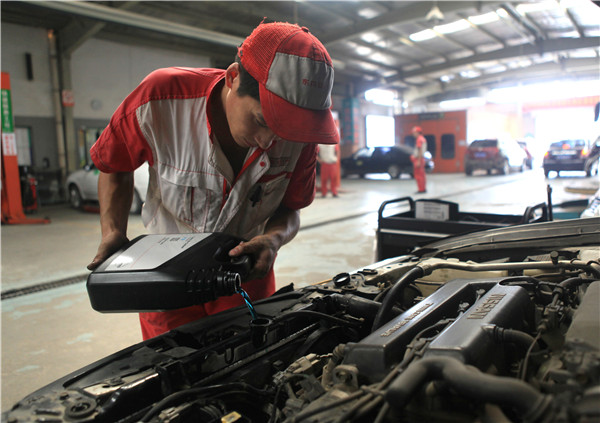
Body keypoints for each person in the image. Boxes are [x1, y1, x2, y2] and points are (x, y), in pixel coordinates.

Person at [86, 21, 339, 340]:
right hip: (163, 276)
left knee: (249, 365)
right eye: (261, 120)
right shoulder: (160, 100)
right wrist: (112, 231)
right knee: (170, 371)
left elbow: (290, 209)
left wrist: (273, 240)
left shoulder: (301, 136)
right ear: (233, 78)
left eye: (284, 130)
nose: (267, 140)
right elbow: (113, 165)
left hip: (245, 275)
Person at [410, 126, 427, 193]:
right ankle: (423, 188)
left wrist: (418, 161)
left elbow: (419, 150)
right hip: (421, 159)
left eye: (414, 133)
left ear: (417, 132)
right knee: (422, 175)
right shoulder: (423, 139)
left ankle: (421, 189)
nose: (413, 134)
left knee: (418, 176)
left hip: (418, 159)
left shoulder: (419, 139)